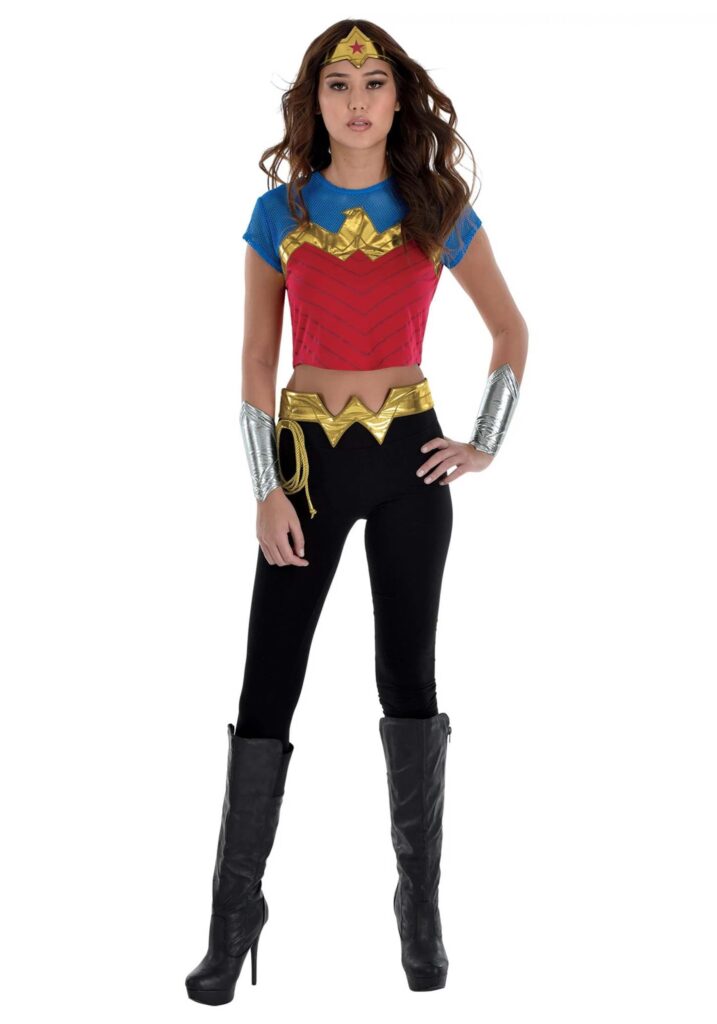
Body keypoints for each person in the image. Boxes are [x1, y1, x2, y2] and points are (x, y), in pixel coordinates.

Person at [185, 19, 528, 1003]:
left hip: (410, 460)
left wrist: (484, 440)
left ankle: (419, 910)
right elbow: (257, 359)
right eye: (338, 84)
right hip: (307, 465)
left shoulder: (436, 204)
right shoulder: (279, 212)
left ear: (398, 96)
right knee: (268, 681)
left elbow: (510, 330)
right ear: (314, 102)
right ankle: (233, 915)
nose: (358, 100)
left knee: (407, 677)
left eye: (374, 81)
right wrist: (265, 488)